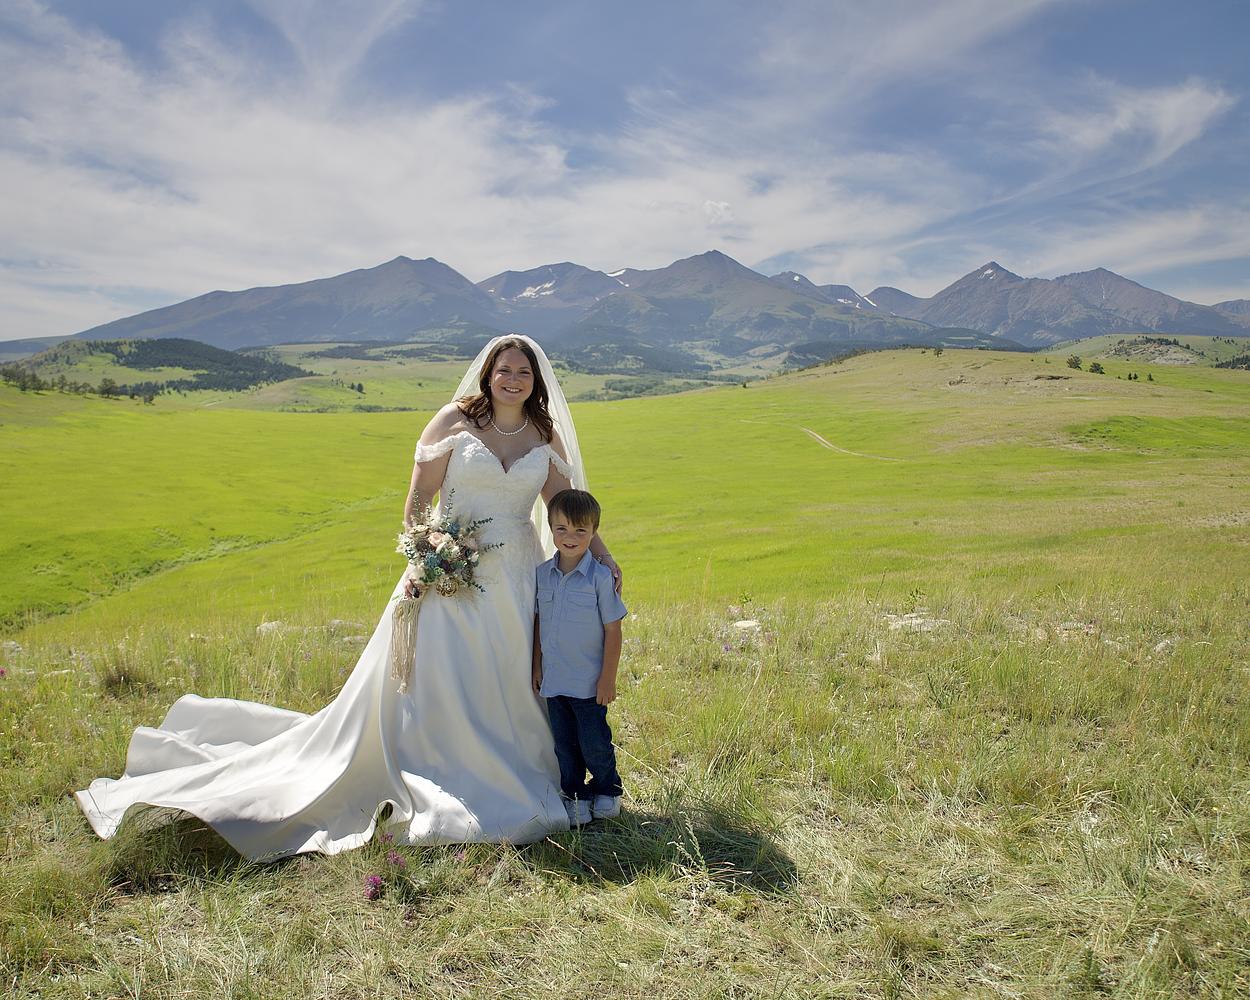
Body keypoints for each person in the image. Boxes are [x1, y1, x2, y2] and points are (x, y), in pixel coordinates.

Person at [74, 335, 623, 862]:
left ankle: (533, 766)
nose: (513, 379)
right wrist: (430, 556)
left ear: (535, 381)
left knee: (515, 671)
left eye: (523, 372)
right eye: (504, 369)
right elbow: (418, 500)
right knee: (442, 674)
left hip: (518, 578)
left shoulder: (542, 433)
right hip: (450, 573)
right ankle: (442, 764)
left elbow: (566, 506)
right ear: (488, 374)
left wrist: (601, 556)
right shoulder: (454, 421)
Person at [531, 489, 627, 826]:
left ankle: (607, 790)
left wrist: (607, 678)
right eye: (561, 529)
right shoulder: (542, 574)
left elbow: (613, 631)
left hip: (588, 682)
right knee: (564, 745)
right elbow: (539, 621)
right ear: (551, 528)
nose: (570, 537)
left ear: (593, 532)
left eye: (580, 530)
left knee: (594, 742)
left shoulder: (600, 579)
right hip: (555, 679)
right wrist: (536, 664)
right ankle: (575, 795)